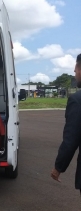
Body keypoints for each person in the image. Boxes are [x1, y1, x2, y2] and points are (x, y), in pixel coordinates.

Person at [51, 54, 81, 189]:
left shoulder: (77, 99)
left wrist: (58, 167)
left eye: (75, 69)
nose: (74, 73)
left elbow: (71, 139)